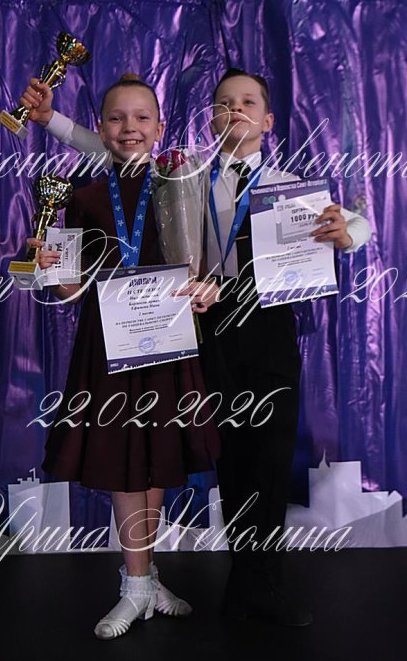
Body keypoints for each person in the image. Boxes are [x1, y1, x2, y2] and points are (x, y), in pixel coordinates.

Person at [21, 67, 372, 627]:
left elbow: (350, 223)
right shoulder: (183, 174)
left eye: (248, 102)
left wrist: (348, 233)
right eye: (225, 103)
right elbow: (115, 146)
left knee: (268, 461)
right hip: (201, 330)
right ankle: (230, 583)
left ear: (269, 119)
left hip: (267, 332)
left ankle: (262, 585)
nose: (236, 111)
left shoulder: (291, 185)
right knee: (228, 463)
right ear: (209, 118)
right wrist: (51, 121)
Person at [20, 73, 220, 640]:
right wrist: (47, 267)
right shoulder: (83, 197)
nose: (129, 127)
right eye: (115, 117)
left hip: (168, 344)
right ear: (100, 126)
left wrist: (207, 287)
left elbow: (207, 265)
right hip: (108, 347)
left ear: (159, 127)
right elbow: (71, 287)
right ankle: (134, 586)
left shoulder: (184, 184)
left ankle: (146, 577)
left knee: (156, 457)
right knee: (124, 460)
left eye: (141, 117)